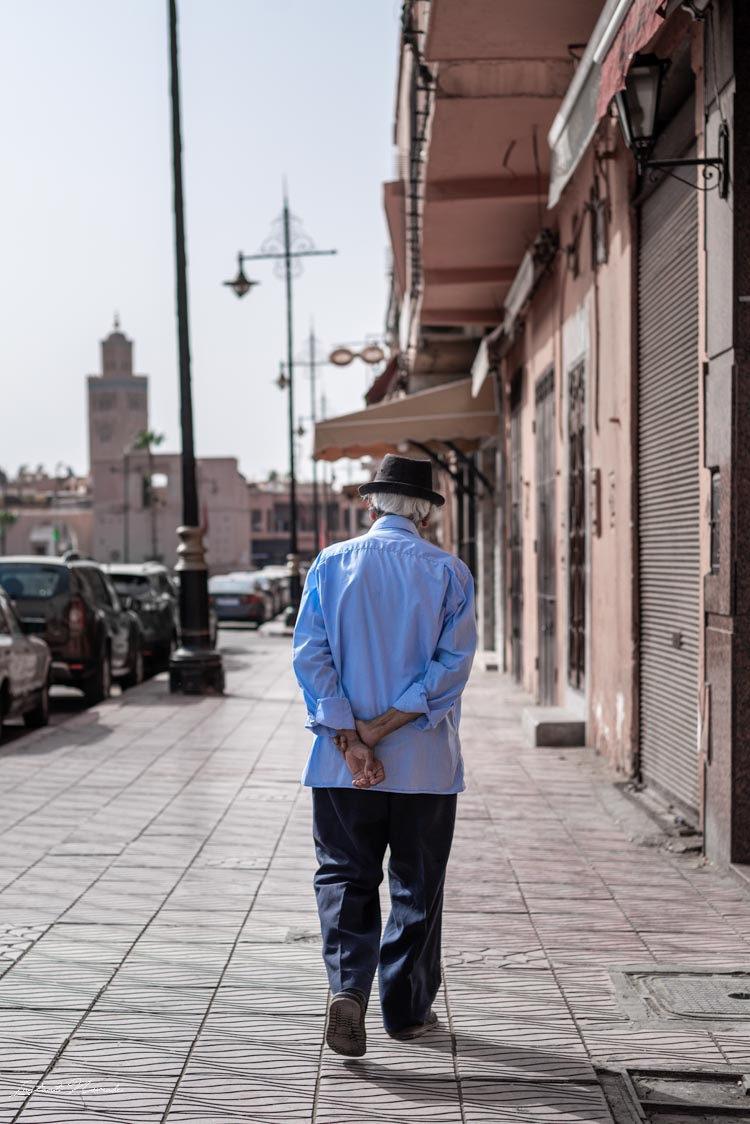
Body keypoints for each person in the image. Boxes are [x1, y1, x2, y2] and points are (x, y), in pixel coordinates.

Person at [292, 454, 476, 1058]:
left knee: (346, 876)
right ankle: (406, 1011)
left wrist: (350, 740)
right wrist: (381, 728)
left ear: (371, 505)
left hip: (342, 770)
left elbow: (311, 658)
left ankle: (348, 988)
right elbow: (450, 672)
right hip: (424, 766)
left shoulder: (332, 564)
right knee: (417, 886)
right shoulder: (449, 572)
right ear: (425, 511)